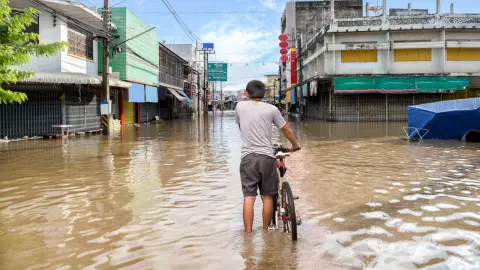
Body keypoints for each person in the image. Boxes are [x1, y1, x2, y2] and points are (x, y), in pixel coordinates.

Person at [235, 80, 301, 233]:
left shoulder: (239, 106)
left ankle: (248, 235)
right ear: (264, 94)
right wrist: (295, 145)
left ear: (246, 93)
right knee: (267, 197)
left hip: (248, 158)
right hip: (267, 158)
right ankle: (266, 232)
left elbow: (240, 126)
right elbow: (287, 131)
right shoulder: (272, 109)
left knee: (249, 198)